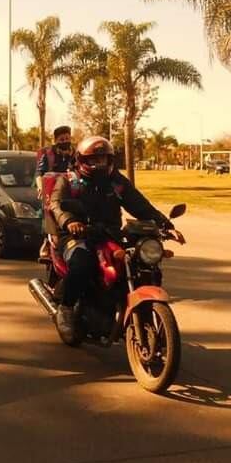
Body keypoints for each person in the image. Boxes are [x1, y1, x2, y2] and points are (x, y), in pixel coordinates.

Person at [48, 136, 183, 343]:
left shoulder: (117, 183)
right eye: (93, 160)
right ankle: (66, 308)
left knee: (141, 263)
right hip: (77, 234)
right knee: (82, 263)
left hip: (109, 233)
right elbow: (56, 205)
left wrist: (166, 225)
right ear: (81, 159)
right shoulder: (68, 180)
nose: (98, 164)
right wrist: (69, 222)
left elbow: (140, 205)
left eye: (102, 159)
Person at [35, 125, 74, 261]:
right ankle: (47, 240)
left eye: (67, 138)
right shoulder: (47, 153)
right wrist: (41, 187)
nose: (64, 141)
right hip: (50, 188)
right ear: (56, 140)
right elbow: (39, 173)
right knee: (48, 210)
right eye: (61, 139)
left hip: (71, 189)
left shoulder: (75, 153)